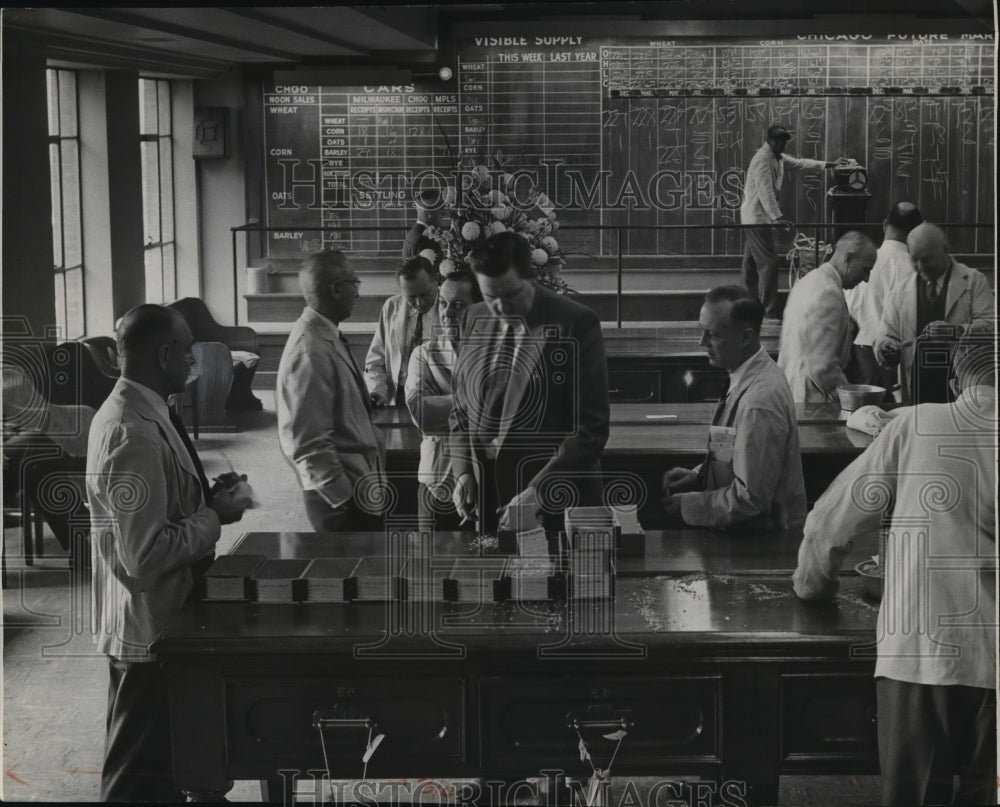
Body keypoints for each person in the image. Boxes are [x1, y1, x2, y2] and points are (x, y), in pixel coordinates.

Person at [793, 326, 996, 806]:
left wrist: (812, 585)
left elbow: (829, 523)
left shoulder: (915, 425)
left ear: (954, 377)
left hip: (922, 655)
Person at [87, 304, 251, 802]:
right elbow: (144, 556)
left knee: (170, 769)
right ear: (164, 355)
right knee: (136, 783)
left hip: (165, 623)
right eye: (187, 351)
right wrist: (213, 518)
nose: (192, 362)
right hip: (149, 633)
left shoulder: (149, 411)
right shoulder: (130, 432)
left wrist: (203, 498)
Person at [449, 231, 610, 534]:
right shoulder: (472, 317)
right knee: (497, 582)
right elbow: (460, 409)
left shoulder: (576, 322)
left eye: (510, 295)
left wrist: (539, 492)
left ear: (532, 277)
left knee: (561, 581)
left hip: (557, 506)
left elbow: (591, 429)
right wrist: (464, 472)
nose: (500, 309)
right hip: (489, 501)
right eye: (490, 297)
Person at [661, 286, 806, 531]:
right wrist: (700, 475)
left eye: (713, 335)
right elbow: (733, 453)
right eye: (702, 332)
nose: (702, 342)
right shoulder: (746, 374)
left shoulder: (759, 403)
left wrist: (689, 505)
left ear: (746, 337)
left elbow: (750, 499)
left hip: (761, 548)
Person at [277, 250, 386, 532]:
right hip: (340, 503)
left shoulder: (324, 334)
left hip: (358, 486)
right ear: (337, 289)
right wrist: (343, 500)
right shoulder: (309, 350)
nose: (358, 293)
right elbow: (308, 444)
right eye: (355, 284)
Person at [874, 222, 994, 404]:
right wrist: (886, 347)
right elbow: (886, 334)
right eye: (915, 259)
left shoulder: (974, 281)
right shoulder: (901, 290)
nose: (921, 266)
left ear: (946, 250)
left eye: (928, 258)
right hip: (917, 389)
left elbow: (991, 328)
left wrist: (956, 331)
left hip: (961, 386)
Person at [740, 123, 849, 321]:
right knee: (768, 264)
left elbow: (800, 163)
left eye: (785, 140)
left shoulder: (777, 157)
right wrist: (778, 217)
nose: (783, 144)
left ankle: (746, 306)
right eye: (780, 140)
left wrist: (829, 164)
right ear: (770, 140)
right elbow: (766, 192)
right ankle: (769, 313)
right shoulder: (763, 159)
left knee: (750, 265)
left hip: (756, 218)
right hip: (757, 219)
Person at [404, 270, 482, 530]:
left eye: (459, 306)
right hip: (438, 481)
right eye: (444, 304)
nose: (447, 313)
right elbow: (421, 413)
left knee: (488, 561)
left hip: (487, 482)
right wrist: (481, 403)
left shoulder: (494, 355)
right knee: (434, 565)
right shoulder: (424, 355)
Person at [778, 231, 878, 402]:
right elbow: (821, 367)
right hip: (812, 400)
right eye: (865, 269)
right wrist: (851, 397)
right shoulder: (828, 294)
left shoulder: (808, 281)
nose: (866, 278)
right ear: (848, 258)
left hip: (791, 390)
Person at [843, 201, 924, 386]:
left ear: (885, 225)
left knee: (854, 411)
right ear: (918, 231)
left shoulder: (857, 261)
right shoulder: (914, 269)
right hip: (888, 355)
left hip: (851, 351)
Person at [365, 255, 441, 407]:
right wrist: (377, 391)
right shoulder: (391, 307)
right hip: (397, 398)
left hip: (437, 401)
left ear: (437, 279)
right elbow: (375, 362)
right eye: (411, 297)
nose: (419, 303)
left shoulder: (451, 309)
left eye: (425, 293)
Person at [402, 188, 446, 260]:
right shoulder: (424, 240)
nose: (444, 213)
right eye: (441, 208)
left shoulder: (415, 233)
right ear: (428, 212)